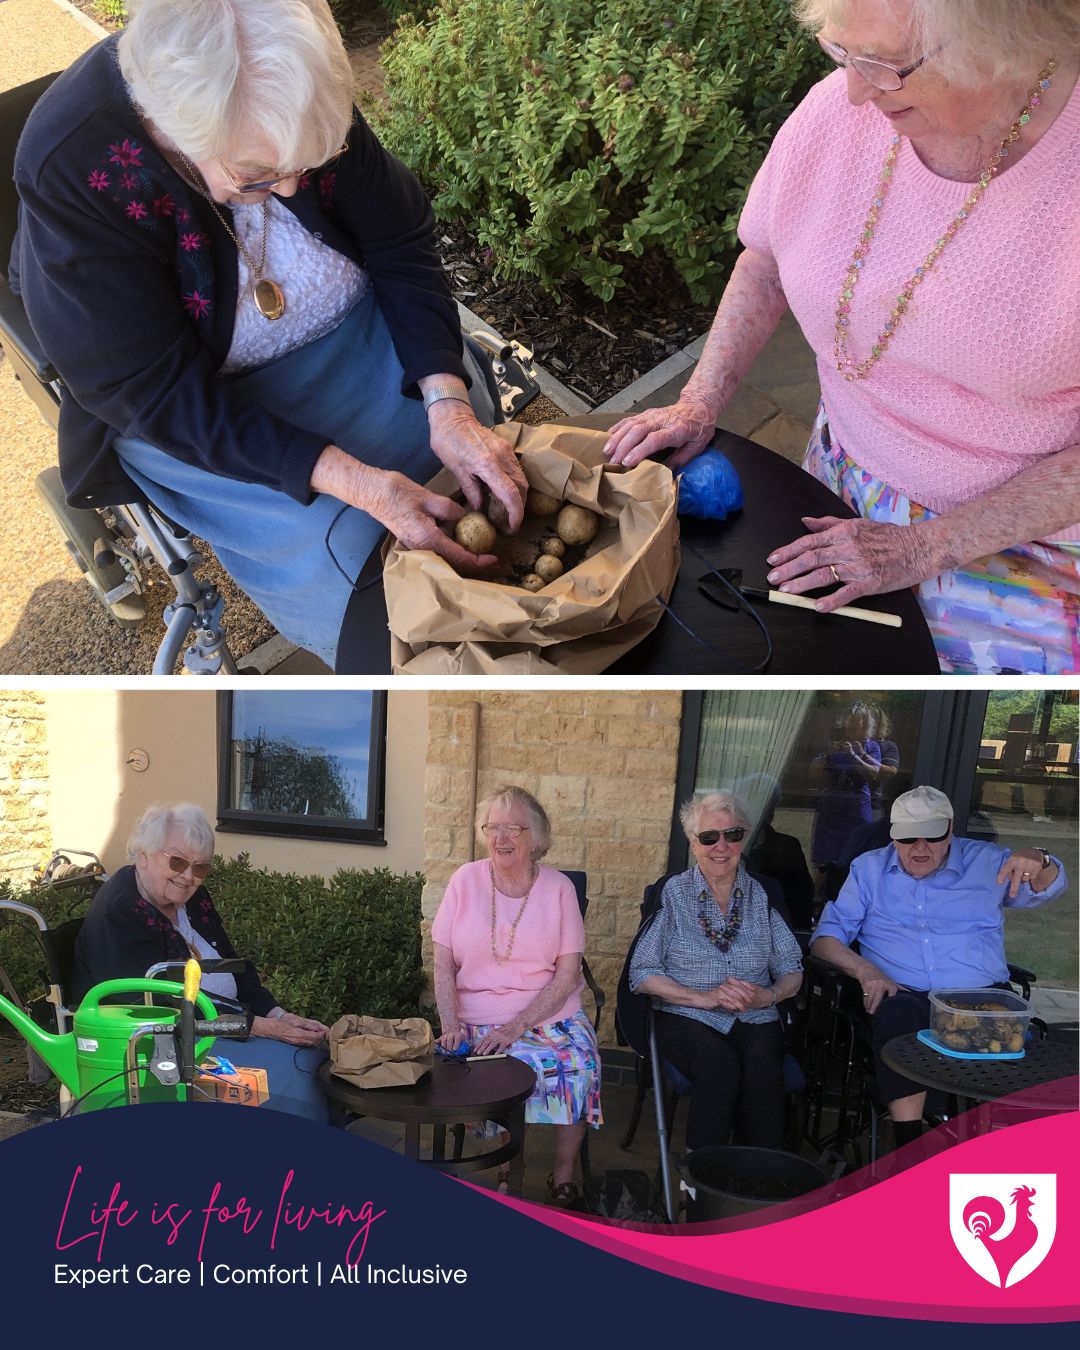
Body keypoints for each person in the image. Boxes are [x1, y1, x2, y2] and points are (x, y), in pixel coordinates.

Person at [10, 0, 527, 667]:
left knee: (466, 435)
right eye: (257, 176)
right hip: (200, 404)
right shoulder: (71, 165)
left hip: (357, 334)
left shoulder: (289, 78)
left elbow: (398, 239)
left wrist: (445, 400)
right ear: (180, 132)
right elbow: (153, 393)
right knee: (348, 540)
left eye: (310, 165)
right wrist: (357, 481)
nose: (290, 190)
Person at [603, 0, 1080, 675]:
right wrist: (699, 400)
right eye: (840, 54)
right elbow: (766, 260)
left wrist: (925, 547)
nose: (854, 91)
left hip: (1024, 538)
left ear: (1008, 43)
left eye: (885, 65)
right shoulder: (838, 111)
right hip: (840, 471)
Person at [811, 785, 1067, 1146]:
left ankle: (1000, 1145)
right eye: (907, 837)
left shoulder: (987, 863)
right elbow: (825, 938)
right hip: (904, 992)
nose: (919, 847)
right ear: (893, 834)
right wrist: (865, 970)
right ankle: (908, 1146)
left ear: (949, 829)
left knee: (1011, 1041)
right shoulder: (869, 869)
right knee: (896, 1016)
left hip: (980, 996)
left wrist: (1040, 859)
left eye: (931, 836)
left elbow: (1046, 888)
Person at [71, 802, 332, 1121]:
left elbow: (233, 965)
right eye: (178, 862)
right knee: (299, 1067)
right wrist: (263, 1027)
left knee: (317, 1054)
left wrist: (279, 1014)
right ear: (144, 854)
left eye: (200, 867)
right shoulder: (119, 914)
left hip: (222, 1027)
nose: (188, 876)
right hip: (166, 1046)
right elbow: (160, 1006)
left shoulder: (192, 899)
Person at [431, 786, 602, 1205]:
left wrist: (516, 1026)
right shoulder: (464, 881)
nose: (500, 837)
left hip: (549, 1014)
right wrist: (450, 1024)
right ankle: (509, 1167)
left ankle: (563, 1175)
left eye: (513, 828)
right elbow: (442, 964)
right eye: (492, 827)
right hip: (478, 1016)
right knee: (500, 1072)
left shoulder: (560, 889)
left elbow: (567, 974)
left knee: (578, 1064)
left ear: (536, 837)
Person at [629, 793, 804, 1152]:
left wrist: (768, 995)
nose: (721, 846)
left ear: (744, 839)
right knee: (719, 1066)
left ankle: (757, 1171)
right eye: (709, 837)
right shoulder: (673, 893)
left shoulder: (764, 894)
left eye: (732, 835)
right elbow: (642, 972)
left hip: (755, 1013)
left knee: (762, 1069)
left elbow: (792, 968)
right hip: (686, 1014)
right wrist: (703, 998)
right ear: (693, 843)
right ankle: (702, 1176)